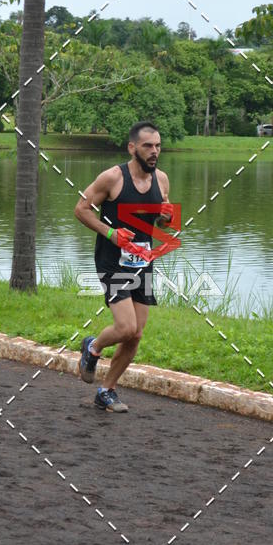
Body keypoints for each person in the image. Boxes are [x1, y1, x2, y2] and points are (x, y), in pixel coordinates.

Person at [74, 121, 174, 413]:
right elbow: (80, 209)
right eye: (147, 146)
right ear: (132, 148)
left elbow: (160, 219)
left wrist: (166, 219)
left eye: (157, 146)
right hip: (112, 260)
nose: (154, 152)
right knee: (126, 327)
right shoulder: (112, 178)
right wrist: (111, 233)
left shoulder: (162, 180)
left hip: (142, 261)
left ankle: (106, 390)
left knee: (136, 334)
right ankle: (93, 347)